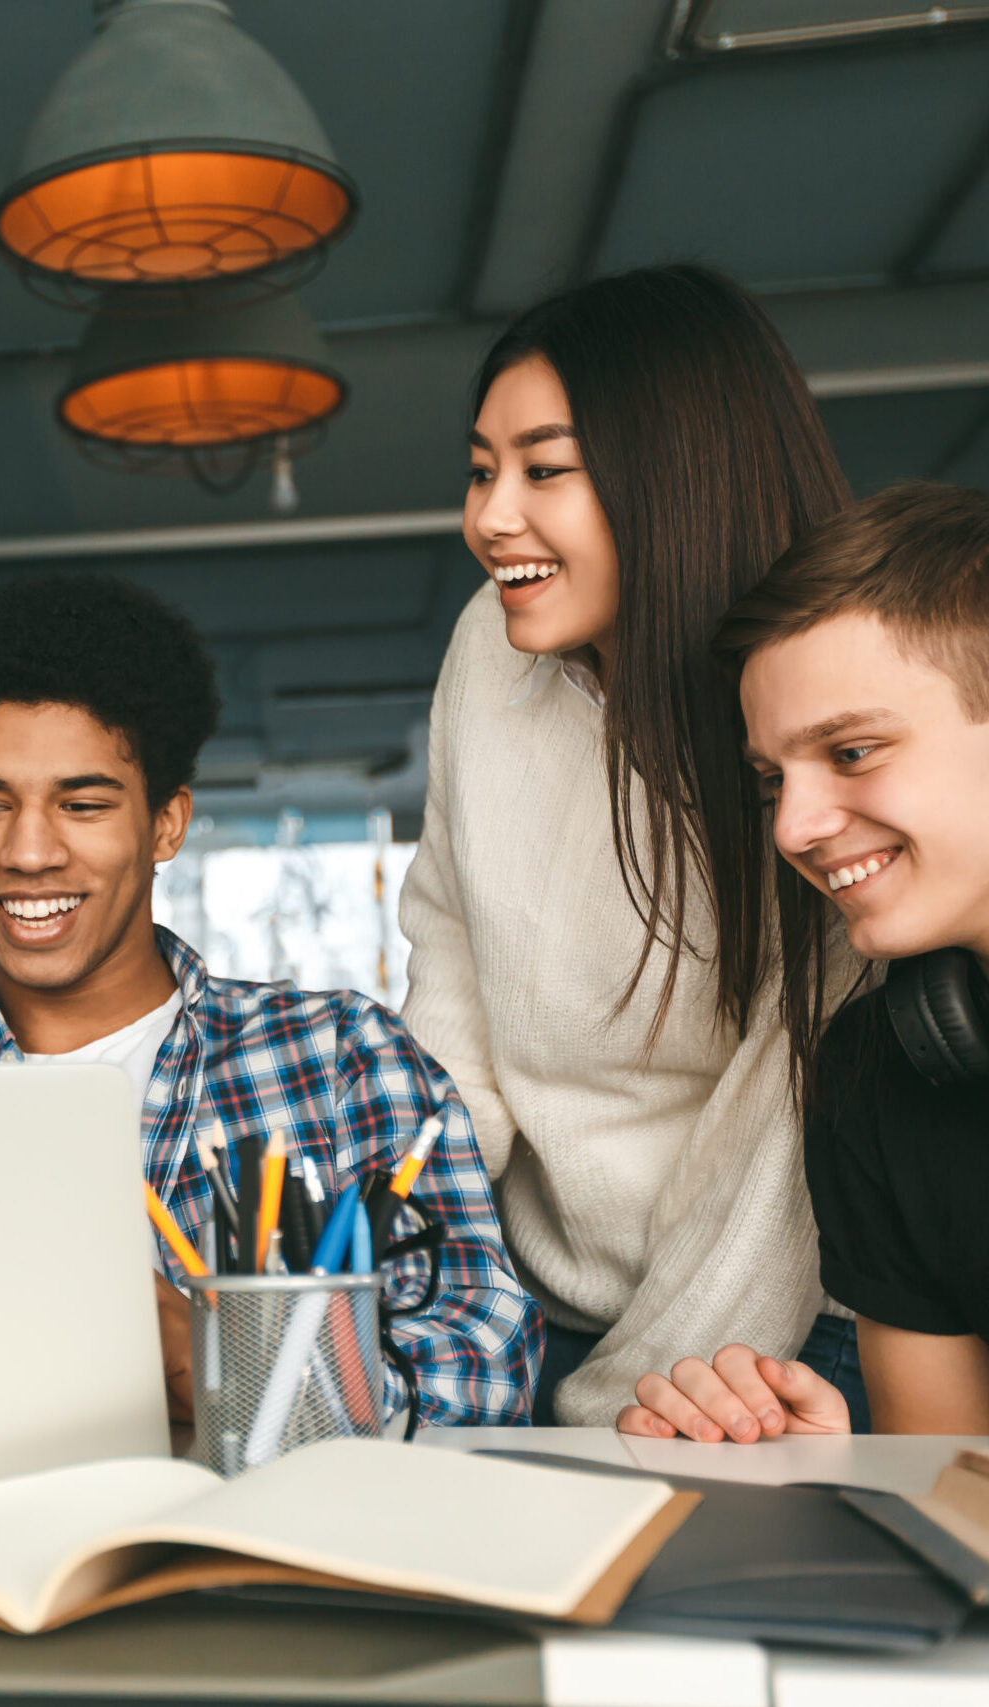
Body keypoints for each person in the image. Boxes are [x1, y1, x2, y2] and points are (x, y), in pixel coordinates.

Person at [0, 574, 541, 1429]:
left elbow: (481, 1369)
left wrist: (209, 1357)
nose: (28, 852)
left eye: (83, 804)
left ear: (166, 824)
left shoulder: (338, 1058)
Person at [618, 484, 989, 1442]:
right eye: (773, 778)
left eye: (850, 751)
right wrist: (833, 1476)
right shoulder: (873, 1069)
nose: (793, 826)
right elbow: (948, 1475)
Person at [397, 264, 863, 1428]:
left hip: (771, 1343)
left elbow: (780, 1152)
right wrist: (412, 1270)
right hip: (532, 1311)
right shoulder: (485, 653)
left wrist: (614, 1407)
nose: (488, 518)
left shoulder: (819, 708)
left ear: (677, 475)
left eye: (543, 470)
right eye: (478, 471)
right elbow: (449, 972)